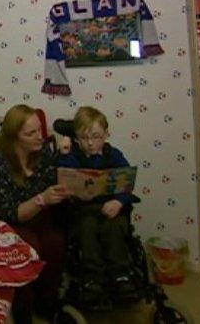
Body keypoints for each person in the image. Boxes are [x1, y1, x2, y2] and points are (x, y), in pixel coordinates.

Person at [0, 105, 69, 322]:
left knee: (56, 242)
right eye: (31, 133)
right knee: (27, 248)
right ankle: (23, 313)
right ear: (14, 137)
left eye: (40, 130)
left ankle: (46, 306)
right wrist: (43, 199)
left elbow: (52, 181)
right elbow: (9, 212)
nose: (40, 137)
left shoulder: (43, 152)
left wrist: (68, 162)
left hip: (30, 212)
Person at [57, 105, 137, 308]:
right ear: (76, 137)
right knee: (87, 228)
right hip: (84, 210)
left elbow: (127, 184)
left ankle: (121, 276)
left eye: (96, 136)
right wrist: (65, 153)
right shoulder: (73, 155)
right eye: (84, 138)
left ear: (106, 134)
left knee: (115, 226)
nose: (90, 143)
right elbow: (65, 179)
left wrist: (118, 201)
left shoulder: (114, 155)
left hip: (111, 208)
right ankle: (92, 278)